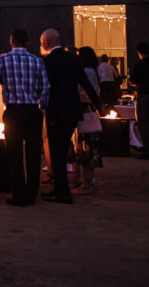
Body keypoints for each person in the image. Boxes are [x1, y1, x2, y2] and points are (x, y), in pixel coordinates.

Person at [39, 29, 101, 204]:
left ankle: (62, 191)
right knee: (64, 149)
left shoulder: (48, 61)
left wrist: (40, 107)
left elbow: (45, 88)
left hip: (55, 112)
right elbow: (86, 85)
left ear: (46, 43)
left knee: (57, 153)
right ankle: (61, 189)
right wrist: (100, 108)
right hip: (73, 112)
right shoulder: (74, 59)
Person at [0, 28, 50, 207]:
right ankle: (31, 194)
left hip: (13, 111)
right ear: (27, 42)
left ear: (11, 42)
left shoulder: (2, 59)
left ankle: (18, 194)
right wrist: (42, 109)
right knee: (33, 154)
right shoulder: (37, 60)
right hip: (32, 110)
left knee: (15, 154)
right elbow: (45, 88)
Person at [73, 46, 104, 194]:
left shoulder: (86, 72)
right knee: (90, 149)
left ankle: (86, 184)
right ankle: (89, 181)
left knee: (86, 148)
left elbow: (85, 91)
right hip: (91, 112)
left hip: (85, 111)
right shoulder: (95, 71)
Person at [130, 42, 149, 159]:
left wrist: (131, 82)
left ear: (139, 52)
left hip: (144, 96)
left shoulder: (140, 64)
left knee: (143, 124)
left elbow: (134, 80)